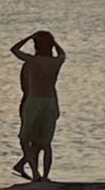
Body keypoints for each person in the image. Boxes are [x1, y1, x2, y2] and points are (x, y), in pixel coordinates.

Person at [10, 30, 66, 181]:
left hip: (34, 101)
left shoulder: (32, 61)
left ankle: (35, 173)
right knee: (46, 143)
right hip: (50, 102)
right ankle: (45, 176)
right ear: (50, 47)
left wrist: (29, 37)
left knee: (25, 139)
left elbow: (14, 49)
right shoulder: (55, 62)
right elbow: (63, 55)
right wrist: (54, 42)